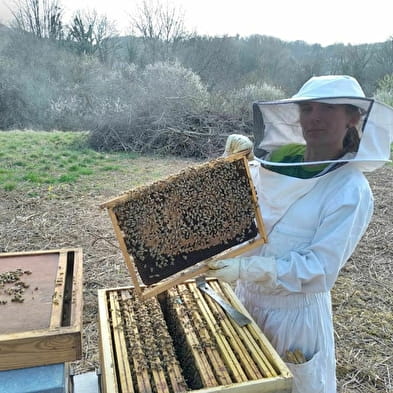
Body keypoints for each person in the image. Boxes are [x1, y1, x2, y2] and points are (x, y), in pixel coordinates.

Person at [206, 75, 393, 393]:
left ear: (353, 117)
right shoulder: (276, 162)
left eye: (328, 109)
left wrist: (245, 268)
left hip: (295, 319)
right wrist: (230, 173)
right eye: (307, 108)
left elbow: (318, 269)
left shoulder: (350, 189)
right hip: (245, 299)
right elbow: (244, 221)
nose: (315, 117)